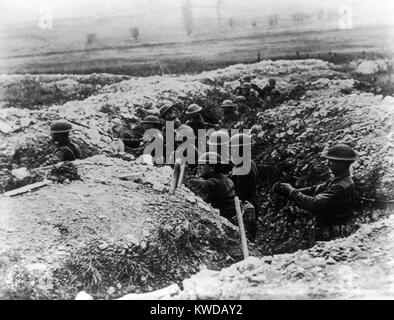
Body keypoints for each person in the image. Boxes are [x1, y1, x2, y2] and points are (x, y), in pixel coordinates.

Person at [273, 144, 357, 241]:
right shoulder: (339, 180)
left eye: (331, 161)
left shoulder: (340, 186)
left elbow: (314, 204)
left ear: (342, 164)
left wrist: (291, 191)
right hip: (329, 231)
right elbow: (315, 189)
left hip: (333, 236)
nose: (328, 163)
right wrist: (287, 191)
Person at [189, 152, 237, 222]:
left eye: (202, 165)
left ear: (212, 167)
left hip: (226, 220)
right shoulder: (226, 179)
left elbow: (203, 184)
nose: (198, 167)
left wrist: (186, 180)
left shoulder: (215, 183)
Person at [230, 133, 260, 241]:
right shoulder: (245, 163)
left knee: (246, 235)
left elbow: (241, 192)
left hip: (246, 204)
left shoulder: (244, 167)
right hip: (249, 201)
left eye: (234, 149)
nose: (231, 152)